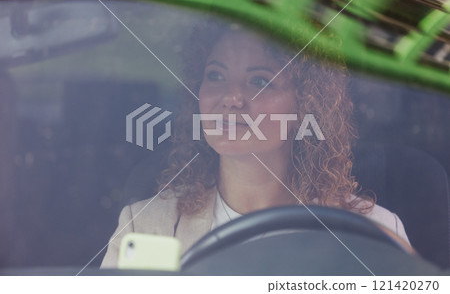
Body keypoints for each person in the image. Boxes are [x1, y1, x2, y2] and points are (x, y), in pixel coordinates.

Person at [101, 22, 409, 268]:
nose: (231, 98)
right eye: (216, 75)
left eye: (260, 81)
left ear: (304, 105)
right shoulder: (143, 226)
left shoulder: (375, 233)